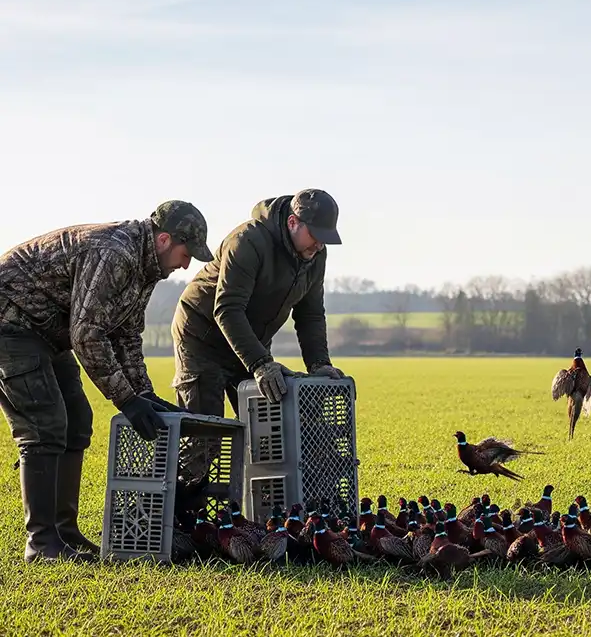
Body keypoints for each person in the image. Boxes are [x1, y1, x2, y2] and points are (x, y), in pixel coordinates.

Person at [0, 201, 212, 563]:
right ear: (164, 239)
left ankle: (65, 532)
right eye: (185, 252)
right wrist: (125, 399)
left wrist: (144, 393)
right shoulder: (115, 253)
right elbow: (87, 334)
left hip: (48, 334)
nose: (186, 263)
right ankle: (42, 543)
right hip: (11, 326)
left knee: (78, 421)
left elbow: (125, 335)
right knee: (45, 424)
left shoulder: (147, 268)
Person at [171, 189, 346, 423]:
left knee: (269, 429)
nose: (319, 245)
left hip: (250, 341)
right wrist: (260, 363)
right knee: (205, 433)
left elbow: (310, 315)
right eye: (315, 235)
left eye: (325, 239)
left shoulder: (314, 255)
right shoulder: (247, 241)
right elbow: (228, 308)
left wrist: (319, 364)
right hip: (202, 339)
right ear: (292, 222)